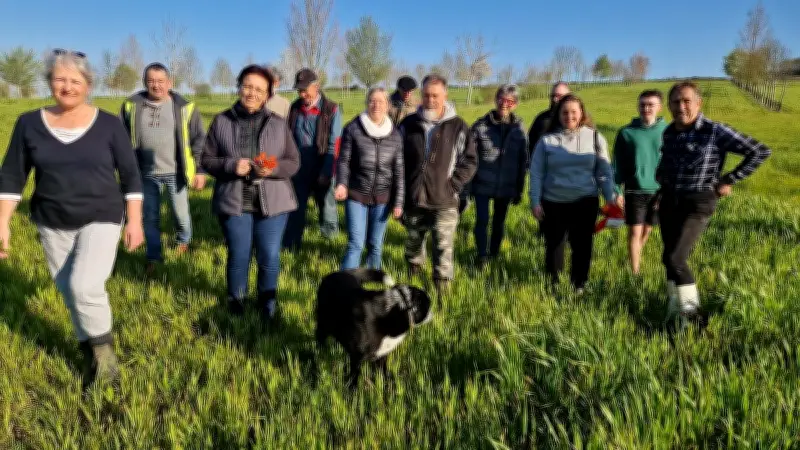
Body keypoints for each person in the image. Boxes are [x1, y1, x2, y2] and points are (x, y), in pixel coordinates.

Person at [0, 49, 144, 389]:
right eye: (59, 79)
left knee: (85, 286)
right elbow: (11, 177)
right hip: (51, 220)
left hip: (102, 215)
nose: (67, 87)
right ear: (50, 83)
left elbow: (131, 175)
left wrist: (135, 221)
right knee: (69, 291)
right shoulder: (29, 124)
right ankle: (90, 350)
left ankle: (106, 360)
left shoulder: (108, 124)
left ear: (88, 85)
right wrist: (3, 221)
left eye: (75, 81)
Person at [656, 81, 770, 325]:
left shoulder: (714, 130)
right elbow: (666, 164)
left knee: (677, 258)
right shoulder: (669, 132)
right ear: (669, 105)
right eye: (676, 101)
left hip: (699, 202)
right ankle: (673, 311)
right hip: (669, 200)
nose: (681, 106)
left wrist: (729, 179)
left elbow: (759, 151)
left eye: (686, 101)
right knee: (668, 257)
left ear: (698, 103)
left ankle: (693, 319)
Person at [200, 65, 300, 319]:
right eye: (247, 86)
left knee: (268, 255)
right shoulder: (221, 121)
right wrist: (231, 165)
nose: (252, 93)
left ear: (268, 94)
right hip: (235, 200)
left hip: (273, 202)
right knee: (239, 254)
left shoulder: (278, 124)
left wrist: (273, 168)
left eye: (259, 89)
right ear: (239, 87)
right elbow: (207, 159)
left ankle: (267, 306)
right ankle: (236, 305)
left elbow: (293, 161)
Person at [120, 62, 206, 275]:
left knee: (181, 214)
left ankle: (183, 241)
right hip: (145, 174)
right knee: (150, 217)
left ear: (170, 82)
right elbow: (120, 138)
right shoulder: (131, 105)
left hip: (176, 172)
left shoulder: (184, 107)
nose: (156, 85)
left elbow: (199, 140)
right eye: (151, 81)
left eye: (160, 81)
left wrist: (201, 170)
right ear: (144, 82)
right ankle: (153, 256)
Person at [529, 94, 618, 292]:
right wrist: (535, 201)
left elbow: (604, 171)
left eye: (573, 112)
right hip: (553, 202)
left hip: (585, 201)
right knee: (554, 246)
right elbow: (536, 173)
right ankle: (553, 285)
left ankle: (579, 284)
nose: (569, 116)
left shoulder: (595, 137)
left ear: (581, 113)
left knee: (582, 246)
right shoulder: (546, 141)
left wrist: (610, 197)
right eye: (565, 112)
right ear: (558, 114)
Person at [399, 74, 478, 295]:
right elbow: (397, 159)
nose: (430, 100)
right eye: (426, 95)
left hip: (444, 200)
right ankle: (412, 287)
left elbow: (470, 160)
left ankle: (442, 293)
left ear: (445, 96)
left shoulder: (458, 126)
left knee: (443, 249)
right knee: (413, 246)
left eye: (435, 95)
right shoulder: (409, 124)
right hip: (414, 198)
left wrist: (453, 185)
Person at [335, 87, 404, 270]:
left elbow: (399, 171)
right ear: (367, 103)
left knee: (375, 245)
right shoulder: (353, 128)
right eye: (372, 100)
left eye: (381, 101)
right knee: (355, 244)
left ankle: (373, 282)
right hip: (356, 194)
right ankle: (346, 286)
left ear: (388, 106)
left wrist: (398, 202)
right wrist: (341, 183)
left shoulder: (395, 135)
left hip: (382, 198)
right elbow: (343, 160)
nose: (376, 105)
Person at [282, 68, 342, 250]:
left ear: (316, 87)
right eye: (299, 90)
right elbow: (287, 138)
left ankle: (329, 243)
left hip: (323, 164)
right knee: (295, 207)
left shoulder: (331, 109)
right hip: (299, 168)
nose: (302, 94)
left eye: (305, 90)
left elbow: (334, 144)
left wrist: (327, 172)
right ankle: (291, 244)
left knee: (327, 206)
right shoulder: (294, 108)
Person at [469, 84, 529, 267]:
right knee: (482, 220)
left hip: (506, 185)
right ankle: (482, 255)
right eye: (502, 99)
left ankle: (493, 253)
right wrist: (468, 186)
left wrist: (519, 189)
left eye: (510, 101)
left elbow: (523, 161)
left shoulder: (520, 129)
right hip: (482, 183)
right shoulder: (480, 126)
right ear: (496, 100)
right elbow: (469, 157)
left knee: (499, 223)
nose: (505, 104)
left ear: (515, 104)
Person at [612, 89, 668, 275]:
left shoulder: (668, 131)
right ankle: (635, 273)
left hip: (659, 192)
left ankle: (636, 254)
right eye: (642, 105)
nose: (646, 108)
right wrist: (616, 190)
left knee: (647, 230)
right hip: (635, 190)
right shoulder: (626, 133)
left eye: (650, 105)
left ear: (659, 107)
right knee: (634, 232)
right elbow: (617, 164)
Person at [528, 81, 570, 160]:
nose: (555, 99)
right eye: (553, 96)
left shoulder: (575, 120)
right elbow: (530, 145)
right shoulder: (541, 119)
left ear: (568, 97)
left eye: (559, 96)